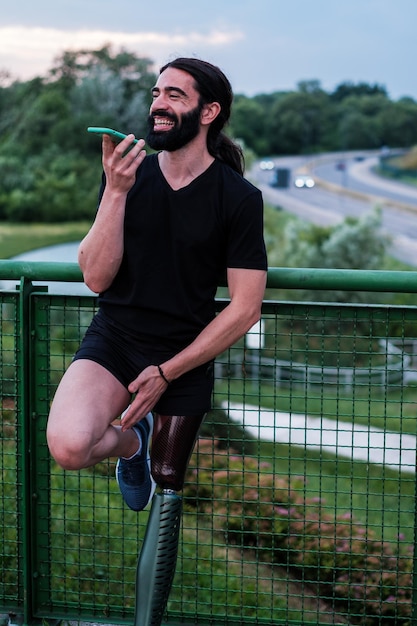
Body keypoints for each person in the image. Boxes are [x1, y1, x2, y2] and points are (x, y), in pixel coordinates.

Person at [46, 57, 267, 512]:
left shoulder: (240, 198)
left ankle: (156, 575)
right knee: (68, 447)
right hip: (115, 337)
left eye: (174, 95)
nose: (158, 106)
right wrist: (115, 191)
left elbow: (245, 308)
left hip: (183, 352)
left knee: (168, 485)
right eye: (155, 94)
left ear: (208, 112)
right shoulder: (127, 175)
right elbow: (96, 277)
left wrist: (167, 372)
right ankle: (132, 444)